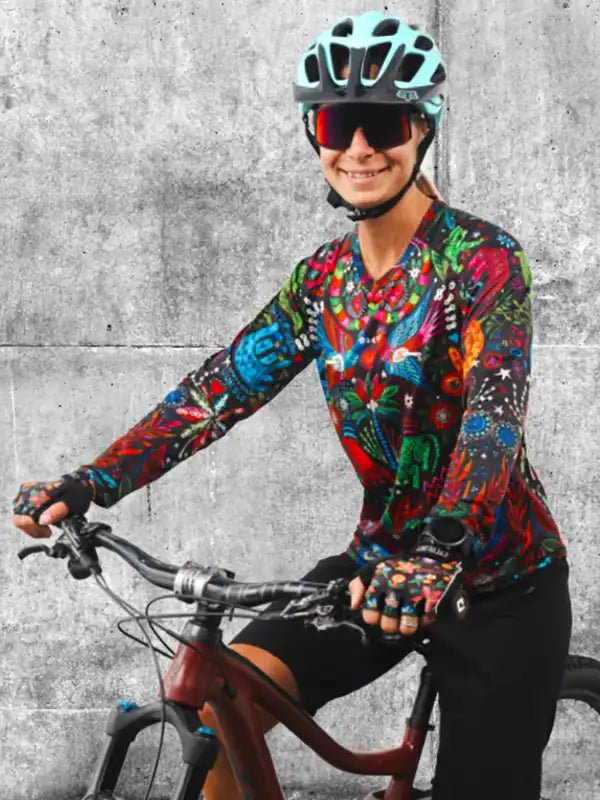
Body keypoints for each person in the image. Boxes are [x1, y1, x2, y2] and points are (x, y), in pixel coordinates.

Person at [12, 11, 571, 800]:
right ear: (316, 135)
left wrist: (439, 551)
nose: (360, 148)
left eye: (384, 123)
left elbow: (493, 415)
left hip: (497, 587)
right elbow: (219, 390)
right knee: (224, 714)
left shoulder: (482, 261)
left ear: (422, 128)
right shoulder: (323, 284)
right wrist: (90, 482)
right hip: (373, 572)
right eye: (339, 125)